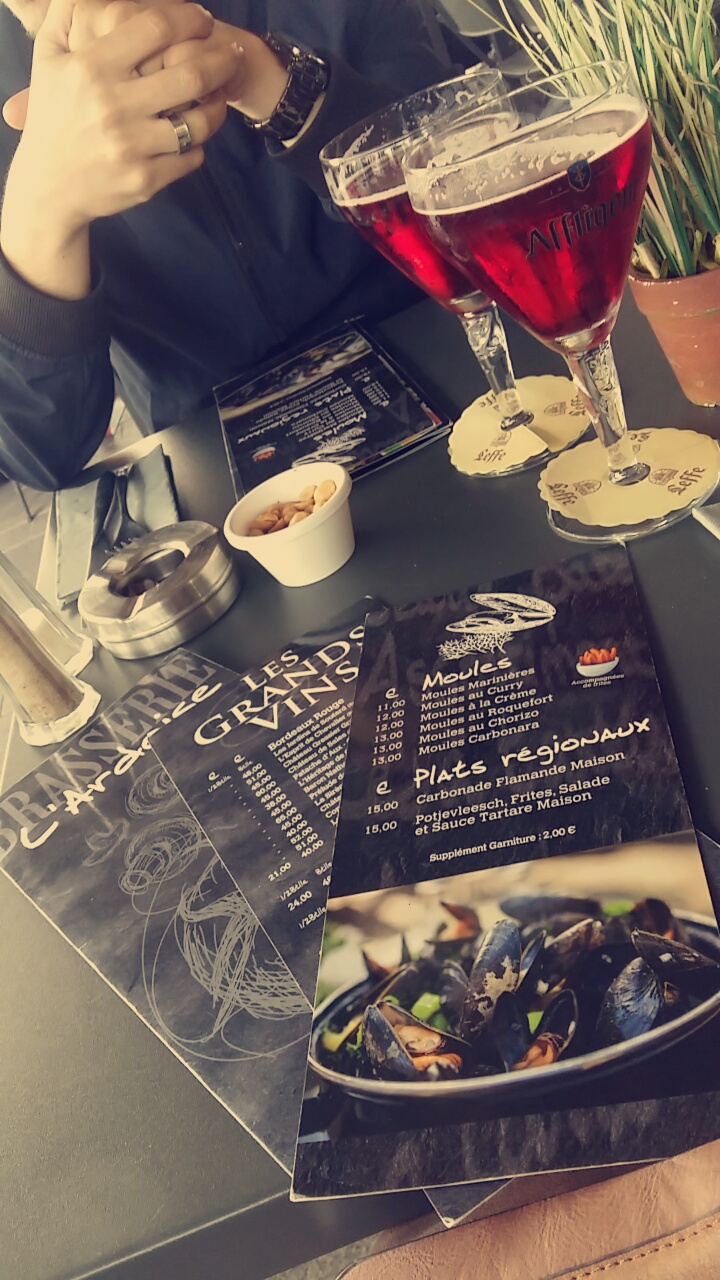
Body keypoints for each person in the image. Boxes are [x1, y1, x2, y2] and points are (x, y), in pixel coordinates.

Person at [0, 0, 451, 489]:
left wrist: (271, 81)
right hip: (206, 468)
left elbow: (463, 191)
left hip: (439, 359)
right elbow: (40, 452)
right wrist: (42, 214)